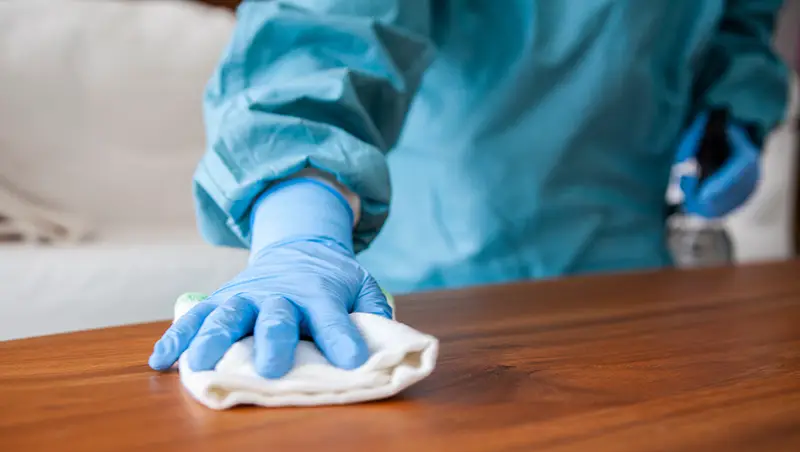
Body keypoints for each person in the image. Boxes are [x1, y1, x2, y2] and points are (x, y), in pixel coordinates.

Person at [149, 0, 788, 378]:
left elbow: (736, 24)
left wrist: (734, 113)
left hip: (635, 278)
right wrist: (299, 233)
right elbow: (320, 40)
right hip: (448, 294)